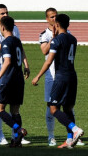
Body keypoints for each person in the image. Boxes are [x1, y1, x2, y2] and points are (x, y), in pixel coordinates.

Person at [32, 13, 84, 148]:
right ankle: (69, 140)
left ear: (57, 25)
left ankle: (75, 129)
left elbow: (49, 61)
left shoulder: (57, 40)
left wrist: (38, 76)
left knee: (53, 109)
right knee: (67, 109)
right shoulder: (73, 39)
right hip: (73, 76)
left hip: (61, 77)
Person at [0, 4, 30, 145]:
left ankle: (18, 130)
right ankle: (16, 140)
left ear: (3, 28)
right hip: (18, 78)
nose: (5, 15)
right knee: (15, 111)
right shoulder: (16, 40)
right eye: (2, 13)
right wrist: (27, 66)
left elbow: (7, 61)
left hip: (7, 77)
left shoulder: (6, 41)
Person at [38, 7, 58, 146]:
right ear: (47, 19)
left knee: (68, 105)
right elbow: (45, 50)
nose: (54, 19)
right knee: (50, 105)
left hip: (63, 74)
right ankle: (51, 136)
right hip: (50, 75)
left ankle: (73, 133)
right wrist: (54, 38)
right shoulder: (44, 35)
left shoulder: (66, 32)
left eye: (56, 16)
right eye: (51, 17)